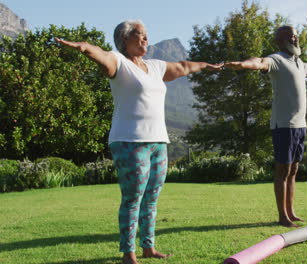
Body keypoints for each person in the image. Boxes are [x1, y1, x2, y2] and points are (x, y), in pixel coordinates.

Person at [56, 20, 222, 264]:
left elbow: (184, 66)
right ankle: (128, 253)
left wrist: (205, 65)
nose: (145, 39)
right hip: (129, 142)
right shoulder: (118, 62)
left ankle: (148, 248)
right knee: (132, 199)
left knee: (152, 198)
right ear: (124, 39)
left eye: (146, 35)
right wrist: (82, 47)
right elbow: (99, 54)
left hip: (158, 142)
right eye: (139, 35)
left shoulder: (155, 67)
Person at [224, 25, 307, 228]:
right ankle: (282, 216)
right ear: (280, 41)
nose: (295, 40)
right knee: (283, 171)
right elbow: (259, 62)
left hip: (300, 125)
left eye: (295, 36)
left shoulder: (300, 63)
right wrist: (242, 65)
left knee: (294, 169)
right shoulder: (276, 60)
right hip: (283, 126)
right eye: (290, 37)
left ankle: (291, 212)